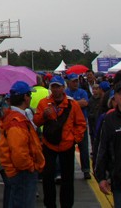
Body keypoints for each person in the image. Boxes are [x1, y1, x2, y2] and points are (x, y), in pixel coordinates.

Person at [34, 75, 87, 208]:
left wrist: (75, 139)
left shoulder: (72, 104)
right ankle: (50, 204)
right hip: (48, 144)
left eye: (58, 87)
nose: (56, 90)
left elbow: (80, 124)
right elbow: (36, 121)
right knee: (47, 178)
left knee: (68, 179)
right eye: (54, 87)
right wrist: (44, 116)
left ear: (63, 87)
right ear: (50, 88)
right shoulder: (43, 103)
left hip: (67, 145)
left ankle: (67, 205)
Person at [0, 81, 45, 208]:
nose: (30, 98)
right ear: (25, 97)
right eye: (29, 95)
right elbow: (19, 152)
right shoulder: (16, 121)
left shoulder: (13, 117)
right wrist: (31, 166)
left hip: (19, 172)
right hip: (23, 173)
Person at [64, 73, 91, 179]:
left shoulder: (82, 92)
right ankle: (67, 171)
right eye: (73, 81)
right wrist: (77, 103)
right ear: (68, 82)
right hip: (69, 125)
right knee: (68, 149)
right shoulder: (65, 92)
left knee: (84, 148)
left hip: (81, 124)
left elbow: (85, 103)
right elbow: (65, 104)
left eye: (77, 81)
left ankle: (86, 170)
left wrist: (72, 103)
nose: (76, 83)